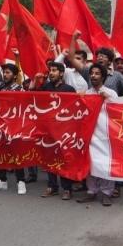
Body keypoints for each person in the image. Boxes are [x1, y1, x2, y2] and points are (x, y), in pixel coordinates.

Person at [34, 62, 79, 201]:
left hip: (64, 130)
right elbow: (33, 97)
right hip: (48, 129)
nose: (51, 73)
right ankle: (52, 186)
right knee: (49, 157)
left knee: (64, 158)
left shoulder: (69, 89)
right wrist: (36, 81)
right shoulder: (46, 87)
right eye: (50, 70)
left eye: (54, 70)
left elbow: (75, 108)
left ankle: (67, 188)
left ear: (61, 73)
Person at [76, 63, 118, 206]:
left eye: (97, 74)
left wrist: (108, 99)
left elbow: (119, 111)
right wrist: (80, 98)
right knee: (92, 162)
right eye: (92, 73)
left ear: (103, 77)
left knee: (105, 163)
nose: (93, 76)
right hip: (90, 134)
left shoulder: (111, 93)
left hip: (106, 134)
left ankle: (107, 192)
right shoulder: (86, 93)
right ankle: (91, 191)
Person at [0, 62, 28, 195]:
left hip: (15, 127)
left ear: (15, 76)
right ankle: (1, 181)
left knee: (16, 154)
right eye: (4, 72)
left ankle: (21, 182)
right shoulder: (0, 87)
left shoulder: (20, 90)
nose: (5, 75)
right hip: (0, 126)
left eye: (8, 72)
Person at [67, 30, 123, 97]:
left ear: (109, 61)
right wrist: (73, 39)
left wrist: (116, 101)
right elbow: (71, 59)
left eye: (104, 56)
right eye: (99, 56)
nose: (100, 58)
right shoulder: (89, 71)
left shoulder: (116, 75)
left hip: (109, 107)